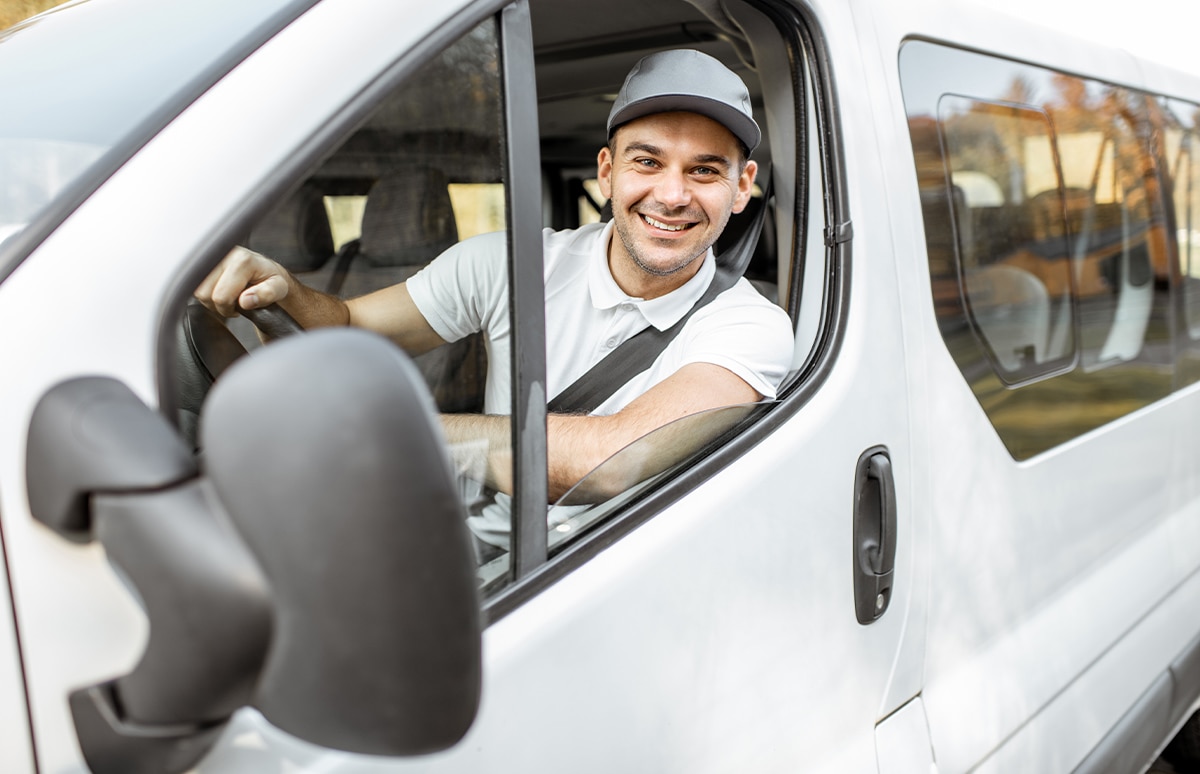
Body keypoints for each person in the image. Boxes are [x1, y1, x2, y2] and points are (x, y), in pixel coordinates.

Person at [196, 49, 794, 549]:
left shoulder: (750, 327)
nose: (671, 194)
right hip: (482, 550)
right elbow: (349, 325)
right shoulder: (508, 264)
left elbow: (612, 462)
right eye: (648, 162)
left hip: (617, 561)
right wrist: (283, 293)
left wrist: (390, 426)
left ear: (742, 187)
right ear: (607, 172)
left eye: (705, 171)